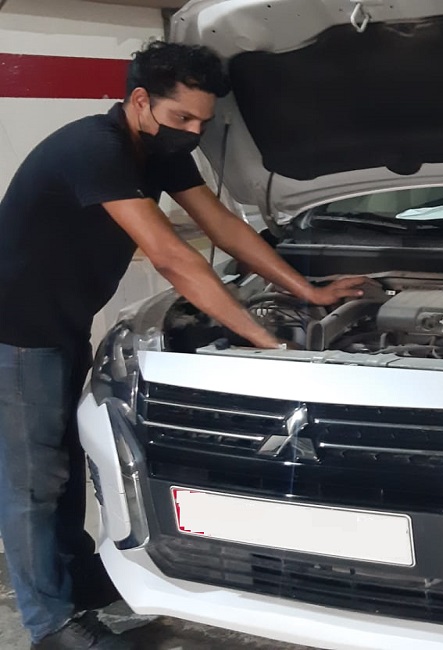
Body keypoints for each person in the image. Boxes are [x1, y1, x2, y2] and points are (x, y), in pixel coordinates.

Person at [0, 41, 367, 649]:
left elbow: (222, 224)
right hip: (15, 333)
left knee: (59, 469)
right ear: (140, 100)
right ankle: (50, 626)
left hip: (59, 325)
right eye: (182, 118)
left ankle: (76, 582)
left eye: (202, 120)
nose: (194, 131)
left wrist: (309, 292)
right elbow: (172, 256)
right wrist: (260, 338)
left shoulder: (157, 149)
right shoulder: (95, 148)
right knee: (31, 483)